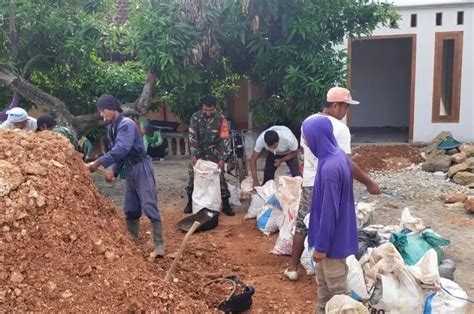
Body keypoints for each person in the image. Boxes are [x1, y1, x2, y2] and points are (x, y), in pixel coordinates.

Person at [284, 87, 380, 281]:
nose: (346, 112)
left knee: (304, 223)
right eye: (345, 107)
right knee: (332, 217)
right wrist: (369, 182)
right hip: (330, 179)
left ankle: (293, 267)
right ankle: (330, 266)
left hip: (310, 179)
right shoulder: (339, 129)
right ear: (335, 105)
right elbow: (346, 161)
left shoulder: (309, 122)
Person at [86, 94, 164, 259]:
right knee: (131, 207)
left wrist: (99, 162)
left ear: (112, 108)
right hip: (130, 167)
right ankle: (133, 242)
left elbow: (122, 148)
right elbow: (121, 154)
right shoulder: (112, 127)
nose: (102, 115)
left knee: (148, 204)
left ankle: (159, 246)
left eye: (103, 110)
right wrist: (114, 170)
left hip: (141, 166)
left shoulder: (126, 124)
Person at [302, 115, 358, 313]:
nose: (306, 142)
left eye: (306, 137)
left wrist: (322, 246)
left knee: (338, 293)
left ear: (317, 136)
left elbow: (329, 212)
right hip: (330, 239)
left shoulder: (330, 168)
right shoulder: (336, 156)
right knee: (324, 288)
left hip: (332, 244)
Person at [183, 96, 235, 216]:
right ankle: (190, 202)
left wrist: (222, 158)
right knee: (192, 175)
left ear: (214, 108)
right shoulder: (195, 117)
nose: (208, 112)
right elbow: (192, 136)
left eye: (210, 110)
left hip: (215, 152)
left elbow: (224, 139)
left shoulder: (221, 119)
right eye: (205, 110)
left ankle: (225, 204)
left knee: (219, 177)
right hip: (199, 152)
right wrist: (194, 154)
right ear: (202, 107)